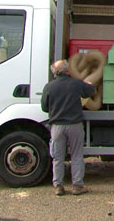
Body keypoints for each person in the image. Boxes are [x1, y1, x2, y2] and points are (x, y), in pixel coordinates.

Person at [41, 59, 95, 196]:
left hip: (57, 127)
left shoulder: (49, 87)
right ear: (68, 70)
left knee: (58, 157)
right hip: (74, 126)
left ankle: (58, 186)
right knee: (77, 155)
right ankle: (77, 186)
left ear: (54, 72)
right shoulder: (76, 84)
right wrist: (89, 84)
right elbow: (90, 91)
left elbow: (44, 107)